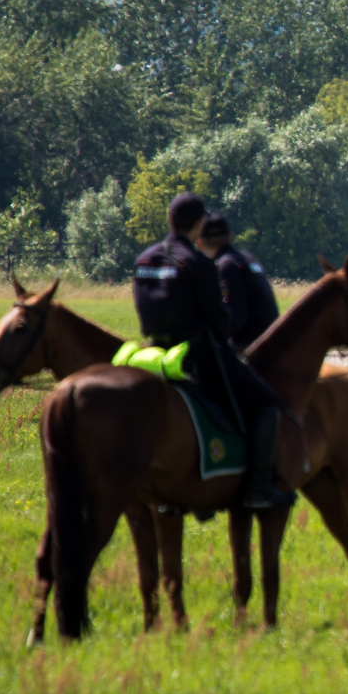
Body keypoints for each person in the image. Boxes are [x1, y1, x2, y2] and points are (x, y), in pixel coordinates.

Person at [131, 193, 295, 509]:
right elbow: (219, 321)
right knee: (267, 405)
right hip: (197, 355)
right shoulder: (199, 263)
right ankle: (258, 488)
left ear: (169, 221)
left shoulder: (144, 260)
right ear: (199, 224)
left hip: (156, 351)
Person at [195, 212, 280, 350]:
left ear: (199, 243)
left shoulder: (227, 265)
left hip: (252, 347)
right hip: (272, 340)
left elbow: (234, 320)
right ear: (230, 235)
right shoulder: (246, 259)